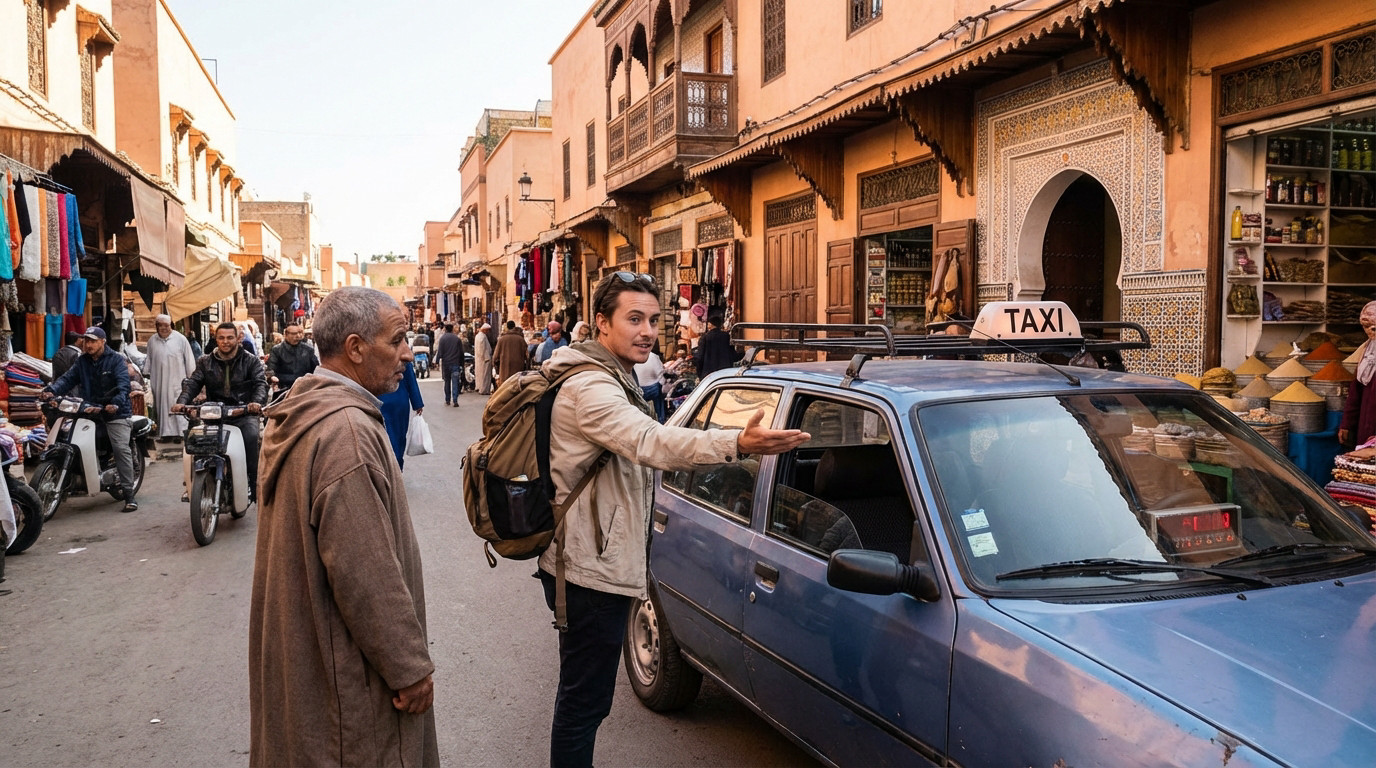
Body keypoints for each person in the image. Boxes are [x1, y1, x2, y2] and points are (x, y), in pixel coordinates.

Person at [536, 271, 810, 767]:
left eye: (654, 320)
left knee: (584, 700)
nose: (647, 331)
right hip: (588, 572)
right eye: (633, 319)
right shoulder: (592, 389)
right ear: (602, 324)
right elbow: (652, 442)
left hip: (592, 559)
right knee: (583, 703)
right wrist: (736, 443)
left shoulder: (612, 375)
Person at [249, 287, 437, 767]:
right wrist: (409, 668)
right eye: (396, 341)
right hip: (345, 675)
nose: (406, 354)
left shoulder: (311, 410)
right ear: (355, 348)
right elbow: (366, 574)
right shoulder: (347, 434)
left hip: (314, 656)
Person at [40, 327, 139, 512]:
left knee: (120, 448)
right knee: (69, 437)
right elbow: (67, 379)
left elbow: (123, 386)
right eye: (86, 341)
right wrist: (51, 391)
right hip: (90, 409)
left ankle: (129, 493)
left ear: (103, 342)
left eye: (93, 341)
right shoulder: (82, 361)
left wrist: (115, 403)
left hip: (116, 412)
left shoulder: (116, 360)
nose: (89, 345)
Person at [172, 323, 269, 500]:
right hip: (214, 414)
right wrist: (182, 402)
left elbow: (260, 384)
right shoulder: (205, 361)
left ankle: (255, 488)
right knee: (196, 443)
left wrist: (255, 403)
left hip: (243, 414)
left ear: (238, 338)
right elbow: (193, 383)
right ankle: (192, 484)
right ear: (216, 339)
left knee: (251, 439)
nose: (225, 342)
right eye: (221, 338)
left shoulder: (251, 361)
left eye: (230, 337)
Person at [144, 314, 197, 442]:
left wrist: (192, 377)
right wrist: (146, 371)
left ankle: (180, 433)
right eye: (160, 325)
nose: (163, 328)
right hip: (159, 379)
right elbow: (149, 359)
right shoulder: (152, 340)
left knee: (178, 403)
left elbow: (189, 360)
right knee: (161, 405)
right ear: (156, 326)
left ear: (171, 326)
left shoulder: (181, 339)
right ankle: (165, 434)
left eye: (166, 325)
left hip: (177, 379)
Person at [1341, 301, 1376, 448]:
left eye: (1373, 327)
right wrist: (1347, 424)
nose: (1369, 331)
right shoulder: (1367, 351)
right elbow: (1356, 391)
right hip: (1365, 423)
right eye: (1365, 327)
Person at [379, 360, 425, 470]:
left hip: (379, 401)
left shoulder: (374, 354)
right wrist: (417, 403)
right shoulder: (402, 356)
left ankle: (386, 466)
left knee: (382, 434)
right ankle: (397, 465)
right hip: (399, 403)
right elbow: (410, 379)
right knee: (399, 435)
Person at [266, 323, 318, 392]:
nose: (298, 336)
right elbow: (271, 368)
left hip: (305, 388)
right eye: (294, 333)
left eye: (299, 333)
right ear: (286, 335)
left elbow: (316, 369)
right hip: (284, 388)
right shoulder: (277, 350)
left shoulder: (308, 350)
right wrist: (271, 377)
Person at [693, 313, 742, 377]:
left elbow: (700, 358)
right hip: (725, 373)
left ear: (710, 325)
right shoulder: (726, 336)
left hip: (708, 375)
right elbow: (733, 355)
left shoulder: (705, 338)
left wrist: (700, 374)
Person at [634, 343, 667, 422]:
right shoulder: (653, 357)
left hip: (638, 389)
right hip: (652, 390)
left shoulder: (634, 355)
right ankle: (660, 418)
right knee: (661, 390)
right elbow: (661, 378)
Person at [434, 322, 465, 406]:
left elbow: (440, 351)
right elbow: (461, 352)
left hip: (446, 364)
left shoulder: (442, 339)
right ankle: (455, 400)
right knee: (455, 382)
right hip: (455, 363)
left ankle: (447, 399)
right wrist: (462, 363)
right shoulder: (457, 339)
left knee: (447, 382)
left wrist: (437, 361)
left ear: (445, 329)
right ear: (452, 329)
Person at [493, 320, 528, 386]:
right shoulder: (521, 339)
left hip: (504, 372)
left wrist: (497, 369)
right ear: (514, 327)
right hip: (518, 371)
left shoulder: (502, 339)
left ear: (507, 327)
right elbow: (526, 356)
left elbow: (495, 357)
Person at [474, 322, 494, 395]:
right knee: (485, 375)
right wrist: (485, 357)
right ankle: (484, 389)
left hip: (480, 359)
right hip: (485, 358)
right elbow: (482, 349)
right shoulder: (482, 337)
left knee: (480, 374)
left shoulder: (478, 336)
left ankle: (480, 387)